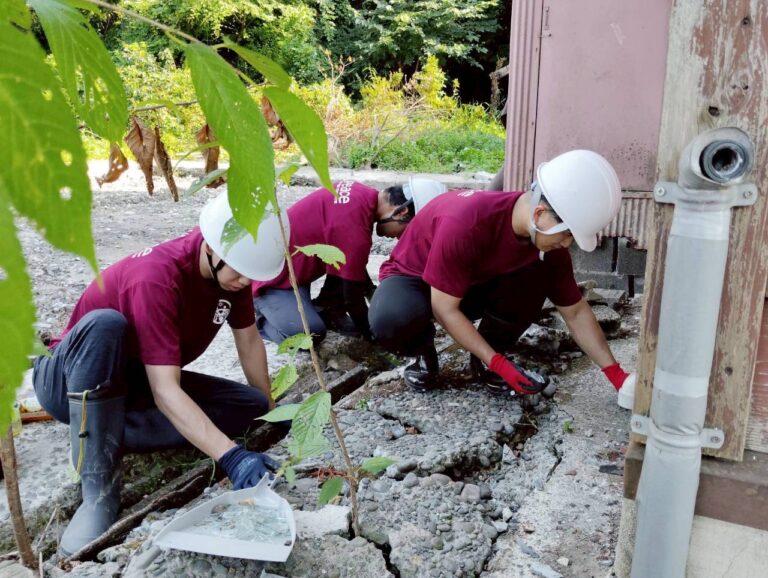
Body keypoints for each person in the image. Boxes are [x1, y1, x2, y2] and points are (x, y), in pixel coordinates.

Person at [32, 193, 285, 555]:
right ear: (213, 249)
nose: (246, 282)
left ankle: (102, 430)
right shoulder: (157, 278)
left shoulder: (232, 276)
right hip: (72, 379)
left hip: (134, 382)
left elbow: (248, 340)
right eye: (241, 272)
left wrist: (272, 414)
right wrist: (230, 456)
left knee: (249, 404)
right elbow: (166, 389)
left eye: (252, 275)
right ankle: (97, 487)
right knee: (106, 325)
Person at [369, 150, 636, 406]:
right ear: (540, 215)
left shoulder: (546, 245)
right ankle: (423, 352)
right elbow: (443, 308)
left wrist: (617, 375)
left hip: (467, 284)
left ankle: (486, 358)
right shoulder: (467, 222)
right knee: (391, 319)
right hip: (415, 282)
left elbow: (576, 312)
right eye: (567, 234)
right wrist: (498, 363)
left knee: (536, 273)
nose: (567, 244)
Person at [252, 178, 446, 344]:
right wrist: (373, 335)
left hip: (294, 272)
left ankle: (327, 309)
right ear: (402, 212)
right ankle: (261, 318)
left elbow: (353, 267)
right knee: (310, 335)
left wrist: (374, 295)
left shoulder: (360, 194)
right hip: (272, 280)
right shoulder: (353, 228)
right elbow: (352, 298)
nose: (400, 239)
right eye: (408, 232)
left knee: (346, 273)